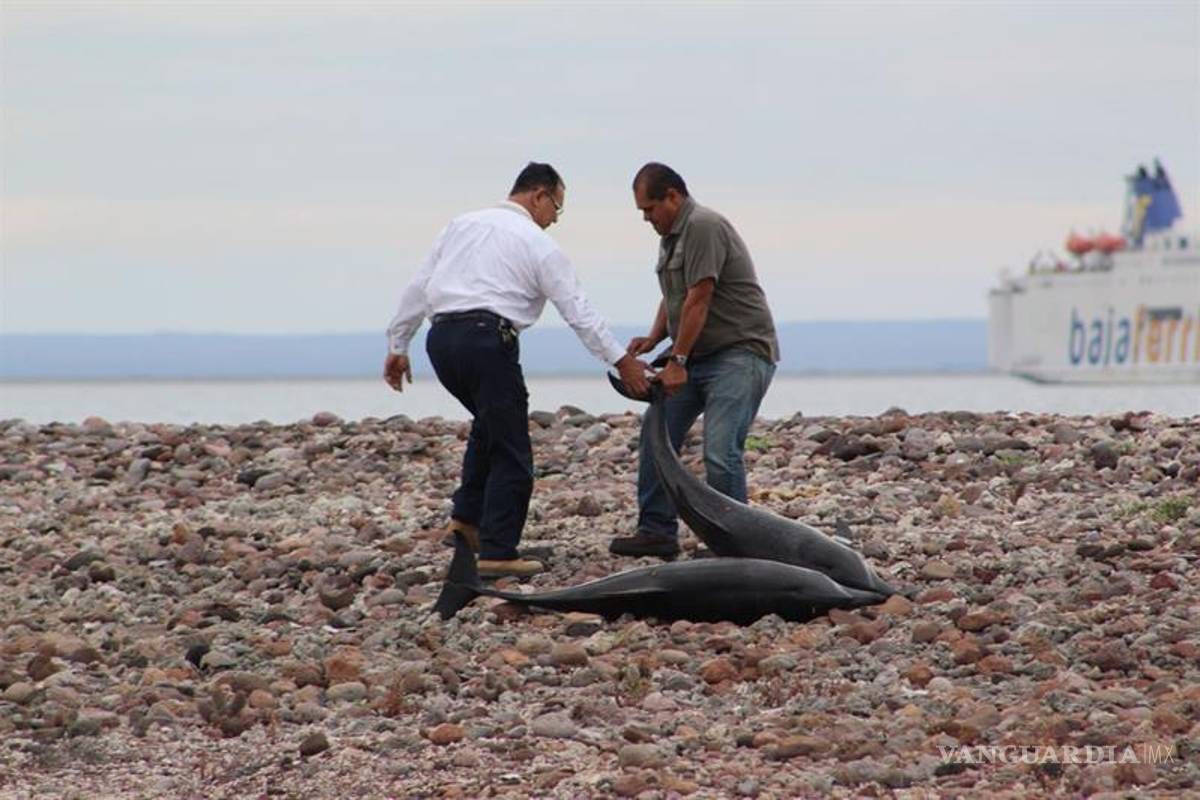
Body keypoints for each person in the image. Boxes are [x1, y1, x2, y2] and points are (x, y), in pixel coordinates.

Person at [385, 162, 650, 578]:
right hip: (487, 339)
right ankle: (499, 549)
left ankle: (466, 521)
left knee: (488, 425)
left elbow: (420, 284)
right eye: (556, 209)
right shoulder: (536, 243)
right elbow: (577, 311)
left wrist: (399, 344)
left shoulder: (461, 224)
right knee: (512, 448)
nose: (553, 220)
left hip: (442, 341)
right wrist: (621, 360)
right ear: (539, 195)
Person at [609, 162, 779, 559]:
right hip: (697, 355)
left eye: (649, 208)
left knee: (720, 453)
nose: (646, 218)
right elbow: (677, 297)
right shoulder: (670, 236)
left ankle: (737, 545)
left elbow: (700, 296)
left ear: (673, 196)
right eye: (642, 212)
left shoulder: (703, 225)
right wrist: (656, 337)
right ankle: (656, 531)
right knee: (657, 435)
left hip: (740, 352)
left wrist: (677, 360)